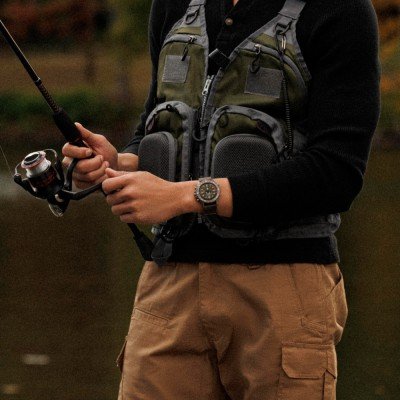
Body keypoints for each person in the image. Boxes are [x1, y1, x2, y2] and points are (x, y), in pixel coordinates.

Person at [62, 0, 380, 398]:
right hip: (168, 285)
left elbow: (336, 173)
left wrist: (187, 196)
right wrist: (117, 163)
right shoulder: (171, 6)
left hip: (283, 288)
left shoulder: (339, 10)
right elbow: (156, 126)